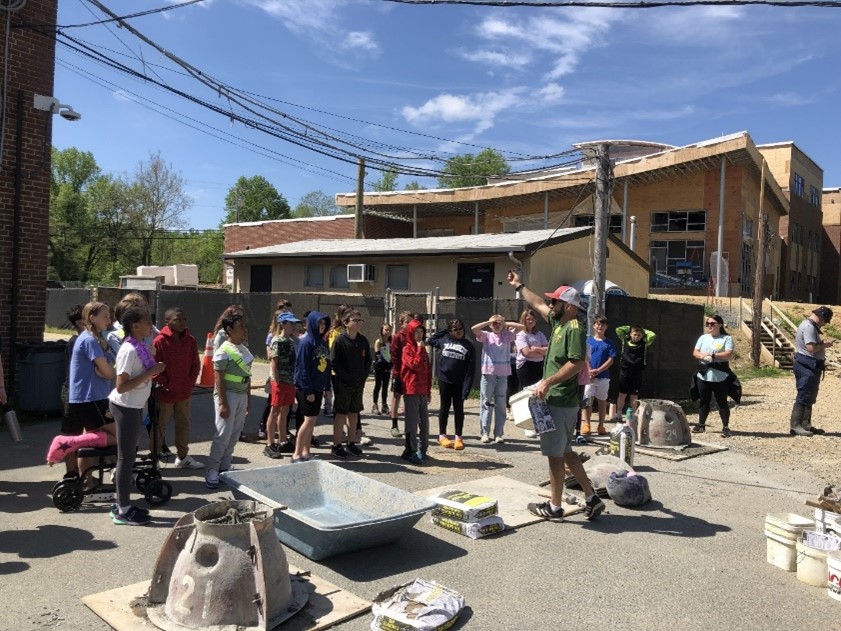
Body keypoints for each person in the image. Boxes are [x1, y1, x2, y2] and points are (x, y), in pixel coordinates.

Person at [506, 271, 605, 522]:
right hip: (560, 400)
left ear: (568, 306)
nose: (551, 305)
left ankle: (555, 507)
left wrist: (548, 382)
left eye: (556, 302)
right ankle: (591, 498)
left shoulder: (574, 329)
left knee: (555, 455)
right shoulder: (559, 322)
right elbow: (537, 303)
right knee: (567, 451)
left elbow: (576, 363)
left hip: (560, 400)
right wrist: (519, 286)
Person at [108, 307, 166, 525]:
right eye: (147, 322)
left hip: (133, 406)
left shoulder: (139, 346)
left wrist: (152, 368)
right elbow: (121, 386)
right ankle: (122, 509)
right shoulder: (129, 350)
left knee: (128, 456)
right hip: (125, 407)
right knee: (126, 458)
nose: (151, 325)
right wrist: (150, 372)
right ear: (135, 326)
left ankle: (122, 505)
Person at [46, 302, 118, 477]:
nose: (109, 320)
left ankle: (87, 482)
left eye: (109, 316)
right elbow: (108, 372)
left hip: (93, 397)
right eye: (105, 317)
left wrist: (108, 368)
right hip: (92, 398)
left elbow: (107, 369)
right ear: (92, 318)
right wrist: (113, 372)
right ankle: (69, 443)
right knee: (120, 436)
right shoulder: (89, 340)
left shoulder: (98, 339)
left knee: (99, 437)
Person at [205, 313, 252, 490]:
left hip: (241, 395)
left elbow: (247, 375)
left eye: (244, 326)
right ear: (230, 330)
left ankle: (224, 466)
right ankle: (212, 469)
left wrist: (248, 398)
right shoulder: (223, 351)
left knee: (234, 433)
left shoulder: (244, 349)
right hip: (228, 396)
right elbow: (218, 379)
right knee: (223, 434)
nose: (244, 329)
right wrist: (223, 403)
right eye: (241, 326)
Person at [153, 308, 202, 469]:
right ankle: (154, 459)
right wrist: (165, 383)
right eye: (177, 320)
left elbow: (195, 364)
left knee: (183, 425)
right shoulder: (159, 341)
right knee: (159, 427)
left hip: (184, 393)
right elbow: (153, 368)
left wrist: (189, 383)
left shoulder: (190, 340)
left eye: (184, 319)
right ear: (167, 322)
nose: (182, 323)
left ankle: (182, 456)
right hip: (165, 394)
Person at [471, 314, 524, 444]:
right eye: (494, 323)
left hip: (502, 375)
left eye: (498, 323)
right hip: (488, 374)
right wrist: (489, 321)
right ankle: (485, 432)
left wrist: (505, 323)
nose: (497, 325)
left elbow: (522, 327)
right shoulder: (486, 336)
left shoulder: (507, 336)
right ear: (490, 325)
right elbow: (474, 329)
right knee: (486, 403)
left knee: (500, 405)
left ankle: (499, 433)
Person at [330, 310, 372, 459]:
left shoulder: (363, 340)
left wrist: (363, 377)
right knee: (341, 414)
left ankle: (351, 443)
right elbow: (334, 363)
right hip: (343, 384)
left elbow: (368, 362)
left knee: (354, 413)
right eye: (355, 320)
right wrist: (346, 378)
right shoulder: (340, 341)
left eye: (360, 320)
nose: (358, 323)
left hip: (358, 384)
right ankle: (336, 445)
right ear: (346, 323)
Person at [428, 318, 474, 450]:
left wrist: (467, 388)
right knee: (445, 407)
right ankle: (442, 435)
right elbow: (431, 340)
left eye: (460, 328)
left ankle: (458, 437)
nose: (458, 331)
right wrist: (445, 330)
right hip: (445, 380)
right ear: (450, 331)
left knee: (459, 409)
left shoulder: (468, 345)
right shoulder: (444, 340)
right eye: (455, 329)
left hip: (459, 382)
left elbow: (471, 369)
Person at [292, 311, 332, 463]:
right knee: (308, 420)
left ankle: (306, 452)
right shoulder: (306, 343)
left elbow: (327, 366)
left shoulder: (322, 342)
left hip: (319, 387)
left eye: (324, 323)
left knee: (312, 421)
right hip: (306, 388)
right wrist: (308, 390)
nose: (322, 326)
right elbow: (302, 368)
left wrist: (327, 387)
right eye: (319, 323)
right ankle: (296, 454)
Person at [790, 306, 833, 437]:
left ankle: (805, 425)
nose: (824, 324)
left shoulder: (808, 325)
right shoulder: (809, 327)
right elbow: (811, 348)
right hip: (807, 365)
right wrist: (824, 345)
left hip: (809, 365)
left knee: (809, 395)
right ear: (821, 317)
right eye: (825, 321)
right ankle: (796, 425)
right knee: (804, 394)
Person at [691, 314, 736, 437]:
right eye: (708, 324)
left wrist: (713, 355)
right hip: (703, 374)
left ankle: (725, 427)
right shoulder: (703, 337)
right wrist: (702, 356)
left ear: (719, 325)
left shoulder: (726, 338)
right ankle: (701, 424)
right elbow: (695, 352)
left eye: (712, 323)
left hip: (720, 375)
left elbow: (728, 354)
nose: (709, 326)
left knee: (722, 401)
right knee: (704, 400)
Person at [265, 312, 301, 459]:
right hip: (280, 382)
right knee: (274, 410)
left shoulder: (291, 342)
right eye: (291, 323)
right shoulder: (277, 341)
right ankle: (270, 443)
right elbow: (274, 362)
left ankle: (282, 440)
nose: (293, 326)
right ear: (283, 324)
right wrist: (277, 381)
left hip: (290, 381)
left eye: (294, 323)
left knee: (285, 410)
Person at [401, 319, 432, 465]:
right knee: (412, 424)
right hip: (411, 390)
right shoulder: (407, 349)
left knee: (424, 423)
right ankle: (410, 451)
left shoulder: (423, 349)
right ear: (410, 333)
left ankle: (423, 449)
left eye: (421, 332)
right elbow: (415, 365)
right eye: (416, 332)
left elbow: (427, 372)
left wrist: (428, 391)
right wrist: (419, 349)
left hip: (422, 390)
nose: (419, 335)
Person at [582, 316, 616, 436]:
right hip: (588, 377)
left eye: (602, 325)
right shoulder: (588, 341)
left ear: (606, 327)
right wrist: (590, 371)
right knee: (587, 400)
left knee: (602, 401)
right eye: (597, 324)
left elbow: (611, 360)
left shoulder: (610, 343)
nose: (600, 326)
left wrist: (598, 370)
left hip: (603, 377)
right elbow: (585, 357)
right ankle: (586, 424)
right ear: (593, 326)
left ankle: (601, 425)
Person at [614, 323, 657, 418]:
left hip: (637, 372)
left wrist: (642, 330)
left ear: (642, 335)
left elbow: (652, 335)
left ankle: (633, 415)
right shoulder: (624, 340)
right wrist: (631, 328)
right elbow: (618, 329)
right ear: (630, 334)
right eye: (634, 334)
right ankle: (619, 414)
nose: (636, 337)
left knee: (634, 395)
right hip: (625, 371)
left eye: (639, 335)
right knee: (622, 394)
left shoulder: (645, 343)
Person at [389, 311, 416, 438]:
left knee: (411, 399)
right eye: (407, 322)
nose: (409, 324)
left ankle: (410, 426)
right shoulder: (397, 337)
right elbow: (394, 356)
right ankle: (394, 425)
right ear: (401, 323)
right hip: (400, 372)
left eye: (411, 321)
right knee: (397, 396)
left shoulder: (415, 336)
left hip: (412, 373)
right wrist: (399, 372)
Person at [515, 309, 548, 389]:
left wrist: (536, 349)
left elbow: (548, 350)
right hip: (526, 366)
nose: (531, 321)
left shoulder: (539, 334)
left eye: (533, 319)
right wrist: (541, 351)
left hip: (539, 365)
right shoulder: (521, 334)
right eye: (528, 319)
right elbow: (527, 353)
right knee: (527, 391)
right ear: (523, 320)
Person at [371, 323, 392, 415]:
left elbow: (391, 354)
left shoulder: (390, 342)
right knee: (378, 385)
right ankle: (375, 404)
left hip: (387, 366)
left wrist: (391, 364)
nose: (387, 332)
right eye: (386, 330)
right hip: (379, 367)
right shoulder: (378, 341)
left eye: (389, 330)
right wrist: (384, 363)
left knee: (385, 387)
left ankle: (384, 405)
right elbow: (378, 355)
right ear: (382, 330)